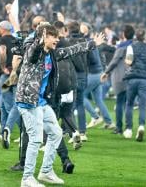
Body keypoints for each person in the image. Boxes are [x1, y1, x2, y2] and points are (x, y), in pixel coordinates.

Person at [16, 23, 104, 186]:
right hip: (28, 101)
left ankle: (46, 171)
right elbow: (32, 55)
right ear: (44, 37)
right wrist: (39, 41)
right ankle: (27, 178)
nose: (57, 39)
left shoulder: (53, 54)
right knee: (35, 139)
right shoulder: (32, 49)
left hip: (41, 101)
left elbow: (71, 50)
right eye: (53, 36)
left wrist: (92, 44)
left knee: (56, 133)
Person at [101, 25, 135, 134]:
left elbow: (114, 61)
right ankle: (129, 127)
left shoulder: (121, 47)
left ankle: (119, 127)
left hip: (120, 77)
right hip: (132, 77)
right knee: (128, 103)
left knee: (120, 102)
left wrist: (106, 72)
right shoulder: (135, 46)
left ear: (124, 34)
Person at [123, 29, 146, 142]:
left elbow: (128, 61)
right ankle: (141, 126)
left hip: (133, 78)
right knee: (142, 105)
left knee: (129, 104)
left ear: (136, 36)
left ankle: (128, 129)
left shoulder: (131, 46)